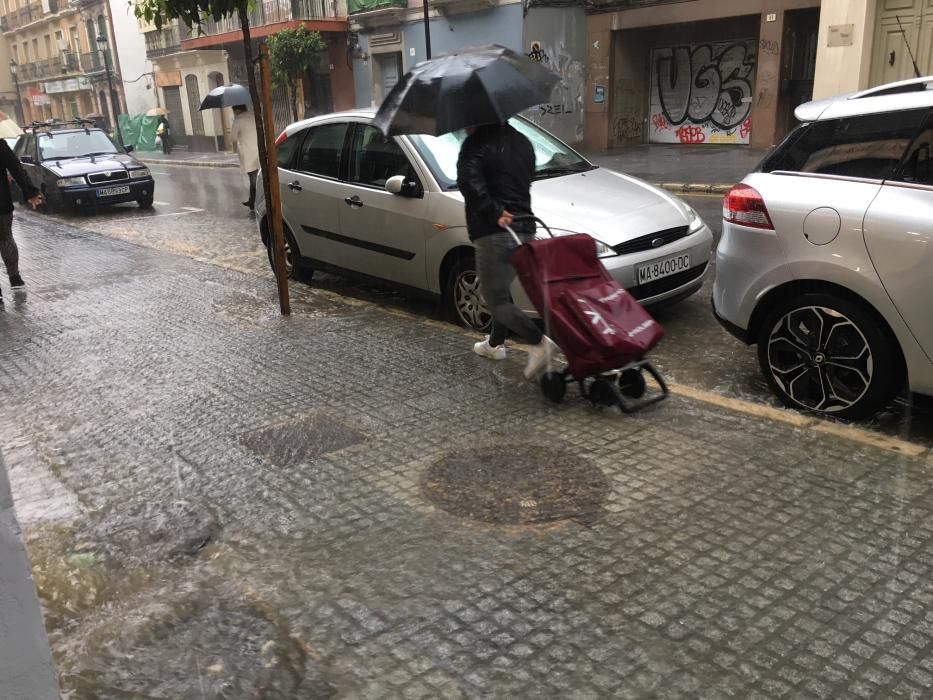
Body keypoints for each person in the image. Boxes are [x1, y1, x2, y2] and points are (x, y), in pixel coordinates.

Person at [457, 122, 557, 380]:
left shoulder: (475, 145)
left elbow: (469, 185)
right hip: (525, 226)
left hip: (495, 230)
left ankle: (538, 343)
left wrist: (495, 212)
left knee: (494, 299)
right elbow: (526, 179)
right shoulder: (522, 141)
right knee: (501, 291)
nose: (463, 126)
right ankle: (494, 345)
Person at [0, 139, 42, 304]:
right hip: (1, 204)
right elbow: (17, 169)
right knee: (6, 238)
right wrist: (30, 192)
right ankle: (15, 277)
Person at [230, 104, 260, 212]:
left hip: (248, 153)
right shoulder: (255, 116)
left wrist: (235, 148)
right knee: (258, 176)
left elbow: (233, 138)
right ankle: (252, 200)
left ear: (237, 110)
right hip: (260, 150)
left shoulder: (238, 120)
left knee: (253, 178)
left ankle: (253, 201)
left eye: (233, 111)